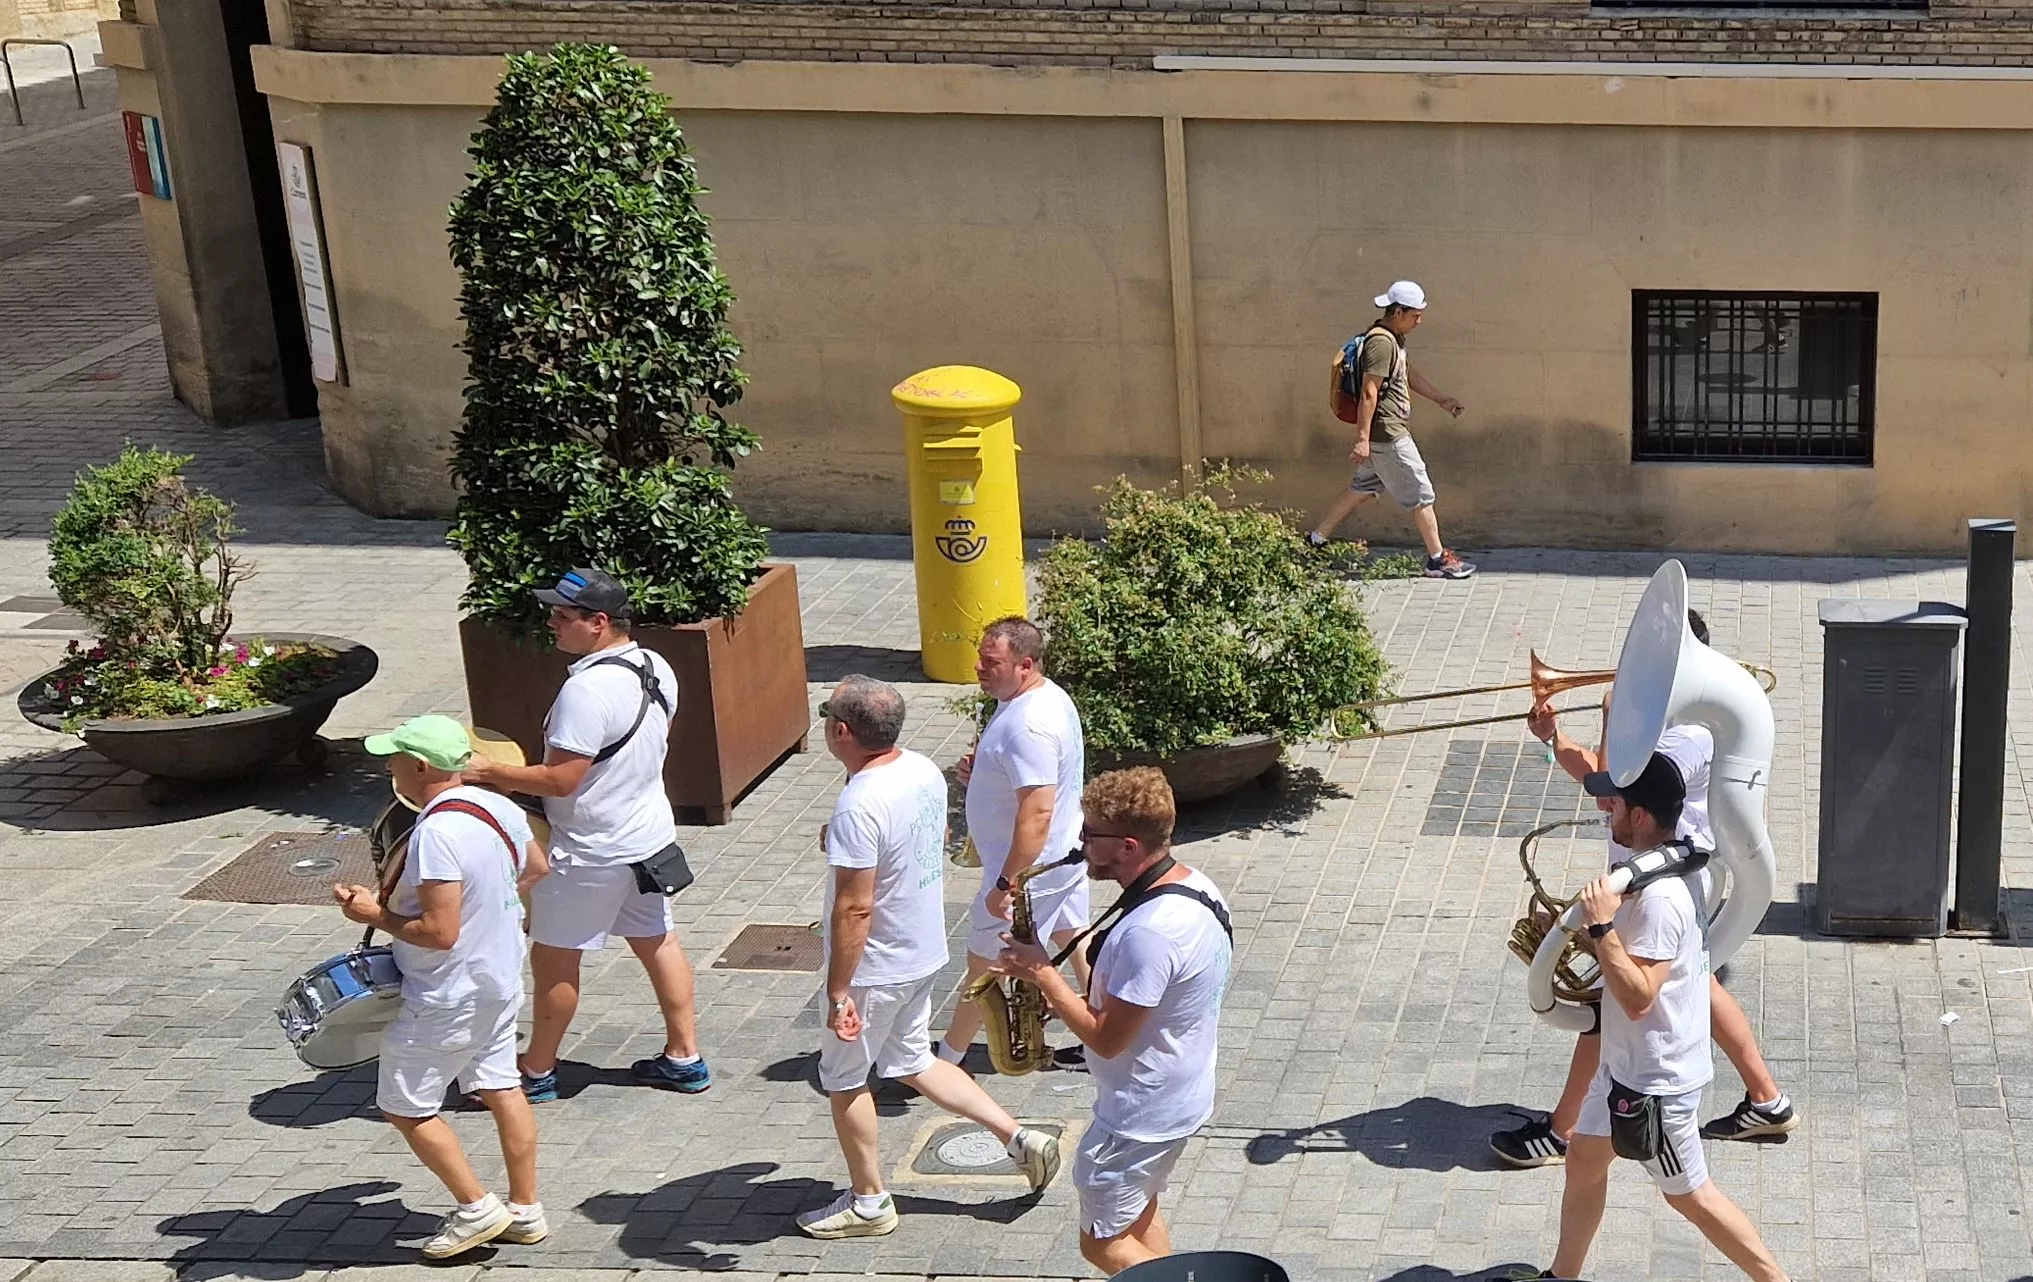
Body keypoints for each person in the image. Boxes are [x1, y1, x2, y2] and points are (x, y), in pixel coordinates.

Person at [1491, 610, 1797, 1169]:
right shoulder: (1663, 721)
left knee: (1612, 999)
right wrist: (1554, 737)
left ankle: (1561, 1131)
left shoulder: (1693, 732)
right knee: (1699, 984)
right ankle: (1766, 1100)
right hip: (1644, 871)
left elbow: (1612, 785)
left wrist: (1613, 715)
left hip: (1662, 880)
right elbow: (1599, 776)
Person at [796, 676, 1062, 1239]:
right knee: (913, 1060)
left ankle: (869, 1202)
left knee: (843, 1078)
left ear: (841, 732)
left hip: (875, 968)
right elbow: (932, 834)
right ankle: (1019, 1139)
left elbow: (855, 908)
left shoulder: (859, 804)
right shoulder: (919, 769)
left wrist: (839, 992)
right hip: (922, 952)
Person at [1541, 752, 1789, 1282]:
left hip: (1655, 1086)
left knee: (1692, 1197)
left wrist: (1601, 930)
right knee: (1583, 1160)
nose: (1607, 809)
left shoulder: (1661, 899)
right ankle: (1562, 1276)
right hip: (1622, 1068)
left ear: (1640, 815)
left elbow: (1638, 997)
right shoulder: (1661, 868)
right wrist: (1575, 929)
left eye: (1616, 804)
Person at [463, 568, 708, 1100]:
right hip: (647, 839)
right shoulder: (654, 666)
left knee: (555, 958)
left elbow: (562, 780)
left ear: (598, 622)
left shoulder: (585, 691)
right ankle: (685, 1058)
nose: (551, 623)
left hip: (589, 851)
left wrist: (489, 771)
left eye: (561, 615)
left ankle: (536, 1072)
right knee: (659, 942)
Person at [999, 768, 1232, 1276]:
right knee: (1136, 1216)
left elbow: (1107, 1041)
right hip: (1176, 1096)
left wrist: (1043, 974)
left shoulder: (1151, 933)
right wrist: (1070, 999)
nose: (1080, 844)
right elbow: (1150, 1001)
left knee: (1102, 1246)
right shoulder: (1195, 887)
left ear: (1128, 846)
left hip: (1138, 1116)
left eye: (1090, 834)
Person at [333, 716, 551, 1259]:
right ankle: (526, 1209)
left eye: (394, 758)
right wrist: (488, 902)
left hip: (446, 993)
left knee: (404, 1107)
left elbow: (439, 933)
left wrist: (373, 914)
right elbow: (537, 867)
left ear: (420, 766)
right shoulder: (498, 806)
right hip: (499, 977)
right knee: (502, 1086)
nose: (389, 766)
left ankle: (476, 1208)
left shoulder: (435, 833)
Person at [936, 616, 1090, 1068]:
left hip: (1026, 874)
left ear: (1025, 665)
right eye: (981, 658)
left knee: (985, 964)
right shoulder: (1040, 696)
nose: (979, 668)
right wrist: (984, 772)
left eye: (992, 662)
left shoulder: (1029, 726)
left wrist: (1007, 883)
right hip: (1060, 858)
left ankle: (947, 1060)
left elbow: (1038, 812)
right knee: (1075, 937)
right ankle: (1101, 1033)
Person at [1307, 279, 1475, 580]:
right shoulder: (1382, 343)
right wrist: (1362, 439)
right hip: (1388, 435)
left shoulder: (1394, 340)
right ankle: (1438, 560)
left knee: (1360, 489)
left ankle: (1315, 540)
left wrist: (1441, 399)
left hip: (1382, 435)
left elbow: (1406, 373)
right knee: (1421, 494)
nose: (1419, 321)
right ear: (1398, 312)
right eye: (1415, 315)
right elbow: (1369, 392)